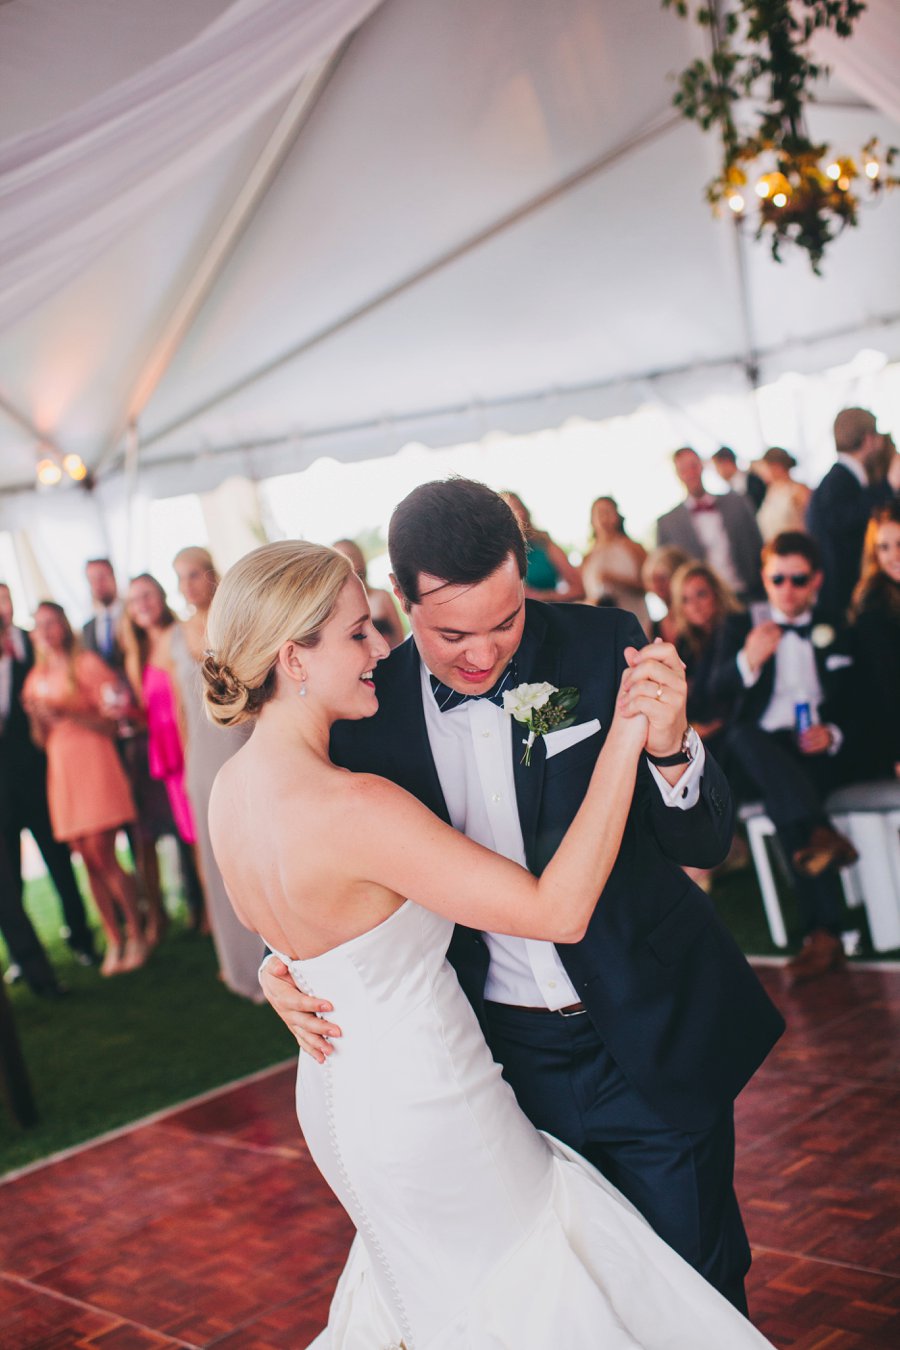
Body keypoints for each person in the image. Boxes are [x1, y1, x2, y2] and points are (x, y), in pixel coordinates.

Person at [205, 536, 777, 1348]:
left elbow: (305, 909)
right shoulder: (358, 787)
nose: (380, 649)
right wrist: (620, 738)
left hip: (341, 1091)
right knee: (536, 1291)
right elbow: (555, 909)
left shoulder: (230, 788)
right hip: (438, 1092)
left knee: (456, 1298)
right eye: (359, 633)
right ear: (292, 659)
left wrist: (283, 965)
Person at [709, 532, 858, 984]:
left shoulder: (836, 625)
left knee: (788, 800)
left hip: (814, 754)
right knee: (745, 737)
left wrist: (831, 732)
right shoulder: (740, 626)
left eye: (798, 579)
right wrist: (746, 662)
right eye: (778, 579)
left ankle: (823, 935)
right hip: (755, 752)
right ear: (764, 579)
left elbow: (859, 702)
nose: (788, 589)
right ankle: (821, 843)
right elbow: (708, 691)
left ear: (816, 580)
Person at [22, 603, 146, 976]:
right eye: (38, 625)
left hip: (95, 763)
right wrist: (40, 721)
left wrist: (68, 713)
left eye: (51, 623)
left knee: (102, 853)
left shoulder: (87, 664)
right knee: (86, 859)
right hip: (63, 772)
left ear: (63, 625)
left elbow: (113, 723)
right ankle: (114, 937)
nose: (45, 631)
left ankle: (136, 932)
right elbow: (40, 740)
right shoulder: (36, 676)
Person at [169, 547, 264, 999]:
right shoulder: (174, 636)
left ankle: (277, 953)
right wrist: (189, 761)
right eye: (180, 578)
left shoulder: (233, 619)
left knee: (256, 848)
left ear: (210, 575)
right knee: (216, 858)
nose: (187, 586)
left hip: (239, 742)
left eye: (192, 575)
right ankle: (237, 964)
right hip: (201, 757)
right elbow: (179, 706)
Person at [0, 583, 96, 976]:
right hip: (3, 790)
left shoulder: (34, 646)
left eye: (4, 599)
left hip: (42, 778)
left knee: (60, 864)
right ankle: (25, 955)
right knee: (10, 877)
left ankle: (82, 938)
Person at [122, 573, 205, 933]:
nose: (142, 604)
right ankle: (209, 916)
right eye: (134, 599)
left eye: (148, 595)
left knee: (205, 837)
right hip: (166, 755)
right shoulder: (136, 653)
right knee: (192, 839)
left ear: (161, 596)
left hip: (191, 745)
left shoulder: (180, 635)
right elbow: (145, 711)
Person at [806, 407, 895, 622]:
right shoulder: (838, 480)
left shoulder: (842, 478)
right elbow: (842, 520)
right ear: (868, 439)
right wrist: (889, 486)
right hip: (842, 594)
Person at [656, 447, 764, 601]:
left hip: (749, 593)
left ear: (702, 466)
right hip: (704, 605)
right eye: (683, 469)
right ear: (677, 474)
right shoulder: (667, 523)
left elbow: (758, 545)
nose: (690, 473)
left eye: (693, 466)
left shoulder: (737, 502)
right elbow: (667, 572)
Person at [668, 561, 742, 755]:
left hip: (731, 729)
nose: (694, 605)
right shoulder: (685, 644)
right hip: (697, 730)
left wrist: (703, 730)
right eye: (685, 599)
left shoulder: (734, 628)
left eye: (701, 594)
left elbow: (731, 693)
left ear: (716, 594)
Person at [849, 502, 900, 781]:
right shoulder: (874, 606)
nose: (894, 555)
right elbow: (886, 688)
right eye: (884, 547)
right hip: (888, 735)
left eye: (899, 543)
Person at [580, 496, 650, 634]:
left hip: (634, 618)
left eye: (608, 512)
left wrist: (617, 580)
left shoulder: (633, 547)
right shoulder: (588, 556)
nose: (603, 518)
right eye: (599, 513)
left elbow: (648, 585)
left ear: (617, 516)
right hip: (601, 624)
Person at [501, 491, 585, 601]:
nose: (518, 514)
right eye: (510, 511)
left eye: (518, 508)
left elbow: (579, 590)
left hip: (545, 610)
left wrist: (542, 597)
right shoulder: (498, 553)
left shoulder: (545, 544)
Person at [332, 538, 405, 648]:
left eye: (350, 556)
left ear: (360, 559)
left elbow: (400, 636)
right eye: (339, 559)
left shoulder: (382, 596)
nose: (346, 564)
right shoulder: (334, 610)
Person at [755, 447, 811, 542]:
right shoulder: (771, 491)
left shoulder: (799, 490)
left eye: (764, 467)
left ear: (776, 467)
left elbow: (812, 523)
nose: (762, 472)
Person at [641, 544, 691, 644]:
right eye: (652, 580)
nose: (656, 585)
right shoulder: (653, 627)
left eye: (662, 579)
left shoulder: (696, 617)